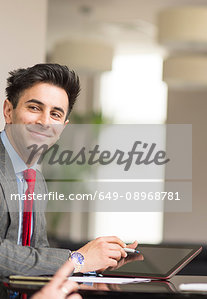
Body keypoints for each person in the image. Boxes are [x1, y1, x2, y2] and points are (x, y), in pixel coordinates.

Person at [0, 63, 137, 277]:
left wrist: (91, 266)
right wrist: (77, 260)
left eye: (55, 114)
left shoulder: (35, 181)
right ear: (9, 111)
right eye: (34, 108)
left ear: (62, 127)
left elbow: (37, 256)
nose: (45, 122)